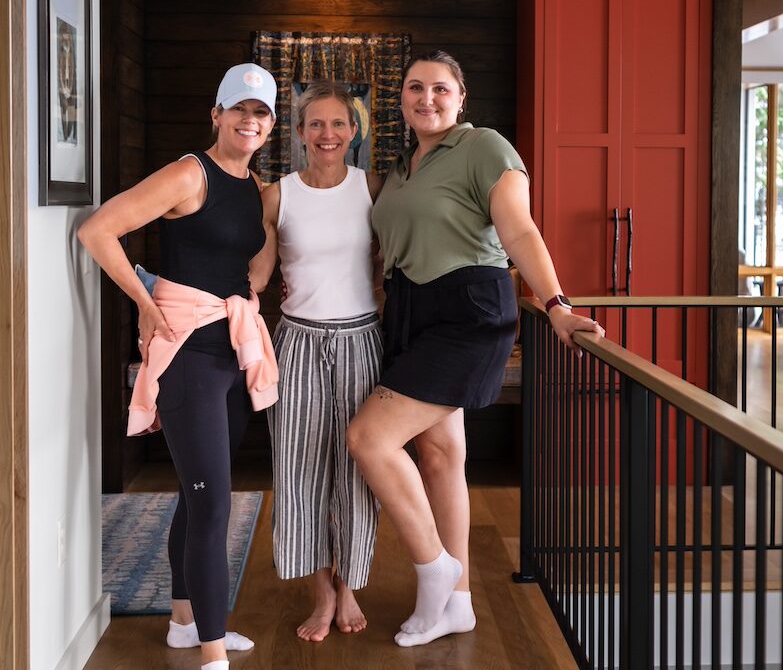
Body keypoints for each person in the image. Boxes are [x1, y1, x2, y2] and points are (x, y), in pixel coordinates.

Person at [345, 50, 604, 647]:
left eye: (440, 88)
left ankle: (437, 568)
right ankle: (456, 604)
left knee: (369, 437)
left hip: (468, 311)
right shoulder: (402, 167)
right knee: (439, 456)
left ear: (461, 98)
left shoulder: (484, 146)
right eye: (415, 88)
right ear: (402, 99)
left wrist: (557, 304)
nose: (426, 98)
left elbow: (519, 230)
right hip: (408, 311)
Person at [78, 63, 281, 670]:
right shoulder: (189, 174)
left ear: (270, 127)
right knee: (214, 505)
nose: (250, 120)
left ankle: (185, 624)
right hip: (187, 353)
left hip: (232, 351)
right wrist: (144, 301)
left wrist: (254, 285)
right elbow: (98, 230)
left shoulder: (252, 188)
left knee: (198, 503)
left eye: (261, 113)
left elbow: (253, 268)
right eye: (238, 109)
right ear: (215, 115)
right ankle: (212, 655)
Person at [250, 79, 384, 642]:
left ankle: (351, 582)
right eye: (315, 124)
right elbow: (256, 275)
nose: (327, 134)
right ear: (299, 133)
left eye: (338, 124)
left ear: (354, 133)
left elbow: (391, 259)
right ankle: (321, 588)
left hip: (362, 342)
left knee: (358, 471)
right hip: (298, 342)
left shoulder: (372, 185)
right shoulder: (277, 194)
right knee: (299, 468)